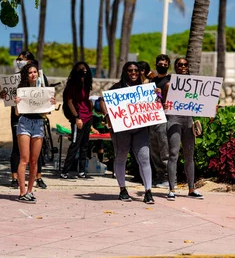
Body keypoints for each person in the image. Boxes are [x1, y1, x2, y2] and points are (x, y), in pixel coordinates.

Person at [100, 61, 155, 204]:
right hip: (122, 130)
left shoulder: (145, 89)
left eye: (136, 70)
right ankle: (123, 189)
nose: (133, 73)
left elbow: (156, 103)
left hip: (141, 130)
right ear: (125, 72)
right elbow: (102, 100)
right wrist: (107, 116)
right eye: (130, 70)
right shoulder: (117, 88)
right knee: (121, 157)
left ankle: (148, 191)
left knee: (144, 158)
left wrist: (158, 96)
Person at [1, 51, 48, 189]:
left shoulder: (41, 78)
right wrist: (7, 97)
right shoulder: (17, 79)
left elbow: (46, 102)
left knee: (36, 154)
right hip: (21, 119)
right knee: (19, 151)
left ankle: (37, 179)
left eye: (23, 60)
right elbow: (10, 100)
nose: (20, 62)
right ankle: (16, 179)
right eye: (18, 60)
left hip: (37, 121)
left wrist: (50, 101)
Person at [162, 57, 203, 201]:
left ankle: (191, 189)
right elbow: (163, 105)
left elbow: (202, 102)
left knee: (189, 156)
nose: (183, 67)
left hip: (188, 121)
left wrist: (211, 108)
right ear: (175, 67)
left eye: (185, 64)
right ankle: (172, 189)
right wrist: (164, 106)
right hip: (174, 120)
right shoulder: (169, 85)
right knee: (173, 154)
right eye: (180, 65)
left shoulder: (195, 84)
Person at [13, 63, 55, 203]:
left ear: (38, 73)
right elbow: (18, 113)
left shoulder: (43, 90)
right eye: (30, 72)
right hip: (24, 122)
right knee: (24, 159)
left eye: (35, 72)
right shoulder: (21, 90)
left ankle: (30, 190)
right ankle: (22, 191)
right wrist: (16, 103)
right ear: (27, 74)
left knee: (34, 160)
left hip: (38, 123)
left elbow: (45, 111)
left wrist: (51, 103)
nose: (33, 74)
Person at [60, 62, 99, 179]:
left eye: (85, 70)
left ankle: (82, 170)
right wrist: (77, 117)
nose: (84, 72)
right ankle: (65, 171)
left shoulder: (86, 84)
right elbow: (69, 102)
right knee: (75, 144)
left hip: (88, 116)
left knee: (85, 145)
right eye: (81, 70)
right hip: (79, 118)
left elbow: (86, 100)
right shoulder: (72, 85)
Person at [150, 54, 170, 188]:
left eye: (164, 64)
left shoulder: (171, 80)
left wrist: (162, 95)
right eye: (160, 63)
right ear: (156, 64)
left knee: (164, 147)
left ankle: (169, 177)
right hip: (152, 117)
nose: (162, 66)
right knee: (154, 148)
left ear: (168, 65)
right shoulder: (152, 81)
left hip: (164, 118)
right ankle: (159, 175)